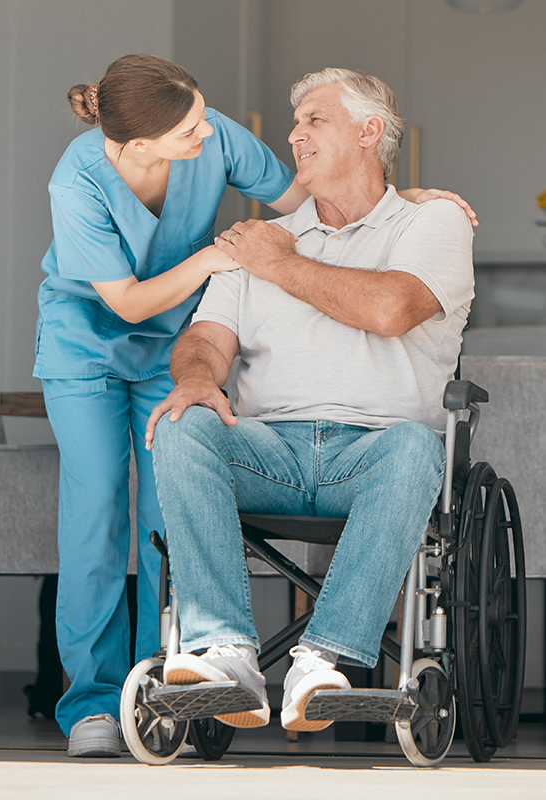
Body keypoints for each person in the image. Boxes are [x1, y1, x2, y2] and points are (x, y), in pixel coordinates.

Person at [146, 67, 475, 733]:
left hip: (377, 455)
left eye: (312, 121)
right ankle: (225, 654)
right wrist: (197, 376)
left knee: (418, 447)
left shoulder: (433, 221)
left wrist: (278, 265)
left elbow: (388, 308)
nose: (293, 136)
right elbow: (205, 338)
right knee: (184, 424)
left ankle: (322, 663)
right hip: (268, 452)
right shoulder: (258, 239)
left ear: (368, 130)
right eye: (294, 123)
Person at [33, 53, 310, 757]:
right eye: (187, 128)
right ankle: (91, 704)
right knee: (96, 515)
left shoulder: (209, 132)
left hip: (176, 352)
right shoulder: (78, 180)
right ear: (135, 145)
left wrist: (406, 204)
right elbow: (124, 299)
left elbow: (299, 203)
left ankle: (167, 694)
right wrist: (214, 258)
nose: (204, 134)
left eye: (200, 115)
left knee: (174, 515)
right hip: (85, 349)